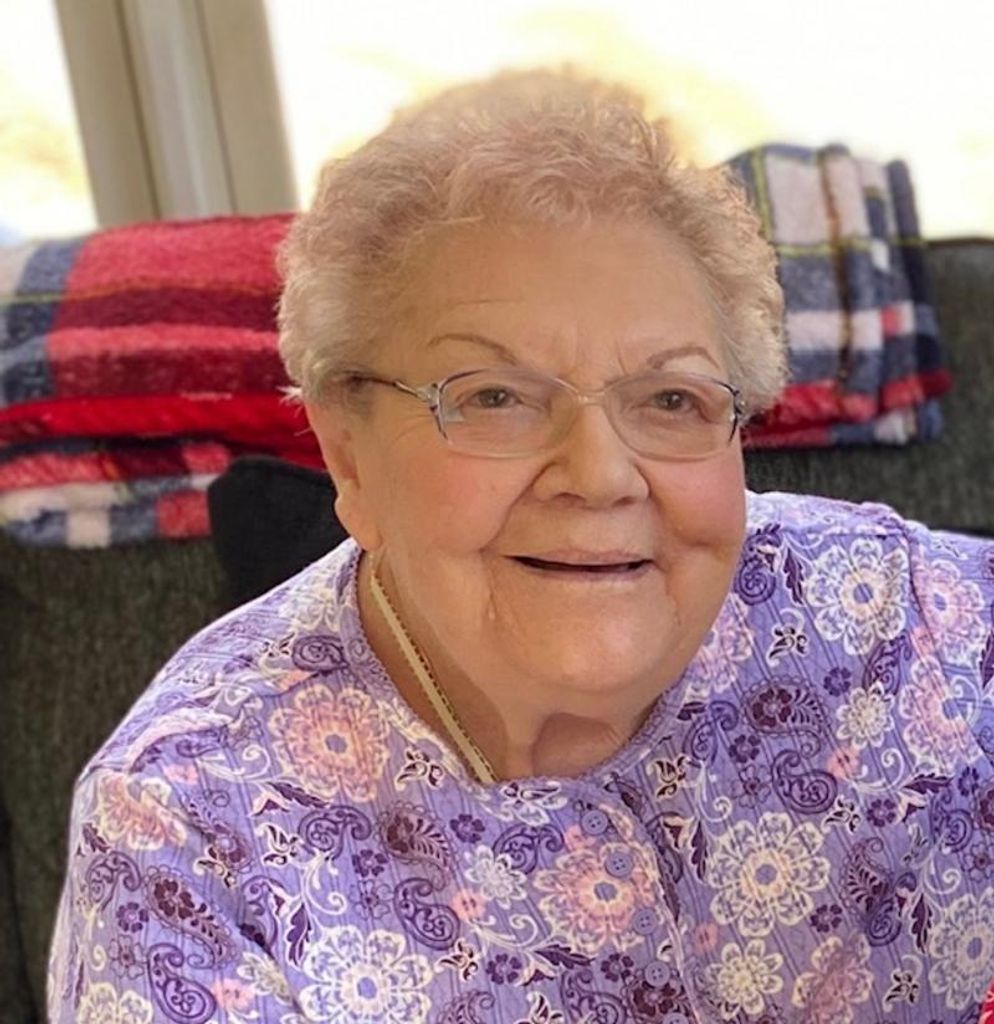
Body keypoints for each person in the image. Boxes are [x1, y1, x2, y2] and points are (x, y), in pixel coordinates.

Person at [48, 70, 994, 1024]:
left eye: (671, 399)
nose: (600, 475)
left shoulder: (907, 625)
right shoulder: (186, 830)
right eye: (494, 397)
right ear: (349, 458)